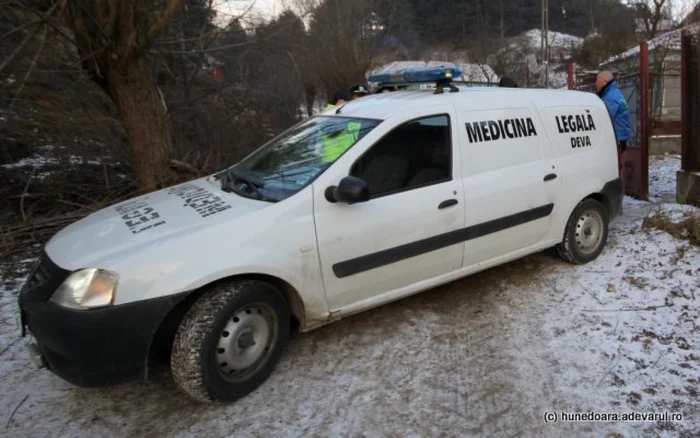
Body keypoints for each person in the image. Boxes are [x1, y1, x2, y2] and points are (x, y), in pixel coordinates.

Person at [595, 70, 631, 155]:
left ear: (604, 81)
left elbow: (603, 118)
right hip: (620, 138)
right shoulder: (614, 93)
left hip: (616, 139)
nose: (596, 83)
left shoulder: (610, 97)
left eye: (597, 80)